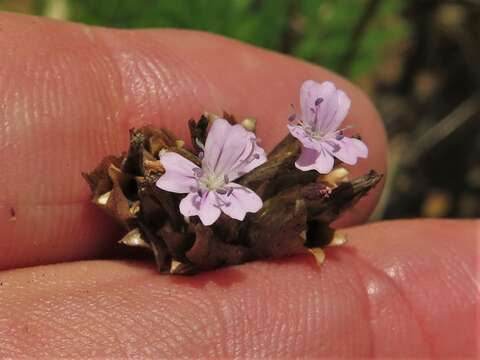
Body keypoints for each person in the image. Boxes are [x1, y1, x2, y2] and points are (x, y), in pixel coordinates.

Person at [0, 12, 478, 358]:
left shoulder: (257, 177)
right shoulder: (200, 176)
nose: (314, 135)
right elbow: (209, 189)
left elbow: (240, 192)